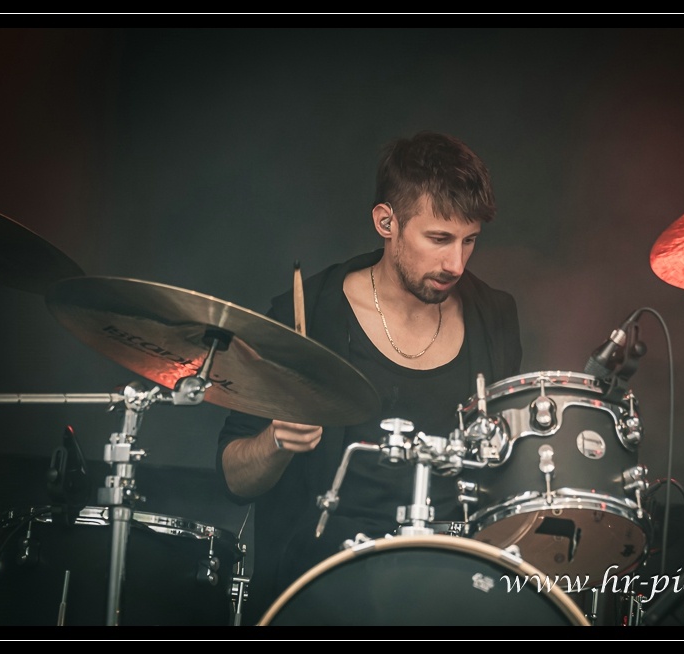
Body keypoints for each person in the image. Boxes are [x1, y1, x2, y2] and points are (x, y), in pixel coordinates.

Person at [215, 131, 522, 625]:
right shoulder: (307, 316)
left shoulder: (495, 318)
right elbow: (234, 478)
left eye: (469, 241)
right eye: (439, 239)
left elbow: (507, 473)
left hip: (450, 589)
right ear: (386, 222)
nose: (456, 263)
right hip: (323, 588)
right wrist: (276, 441)